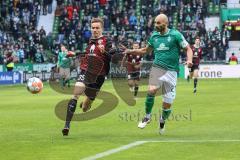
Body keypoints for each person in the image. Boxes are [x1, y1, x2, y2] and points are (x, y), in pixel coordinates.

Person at [123, 14, 193, 134]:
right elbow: (145, 50)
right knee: (151, 90)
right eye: (155, 23)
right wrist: (131, 51)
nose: (156, 25)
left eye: (158, 23)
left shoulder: (175, 35)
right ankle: (147, 116)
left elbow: (188, 49)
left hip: (171, 72)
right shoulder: (154, 36)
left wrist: (190, 60)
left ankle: (162, 121)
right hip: (157, 69)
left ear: (165, 23)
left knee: (167, 105)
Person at [62, 17, 115, 136]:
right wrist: (74, 53)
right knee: (76, 93)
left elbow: (114, 58)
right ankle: (67, 125)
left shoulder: (108, 42)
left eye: (97, 28)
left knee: (85, 107)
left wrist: (104, 52)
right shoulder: (90, 40)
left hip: (98, 77)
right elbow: (87, 53)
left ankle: (87, 102)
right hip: (85, 71)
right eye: (93, 28)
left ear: (102, 28)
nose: (95, 30)